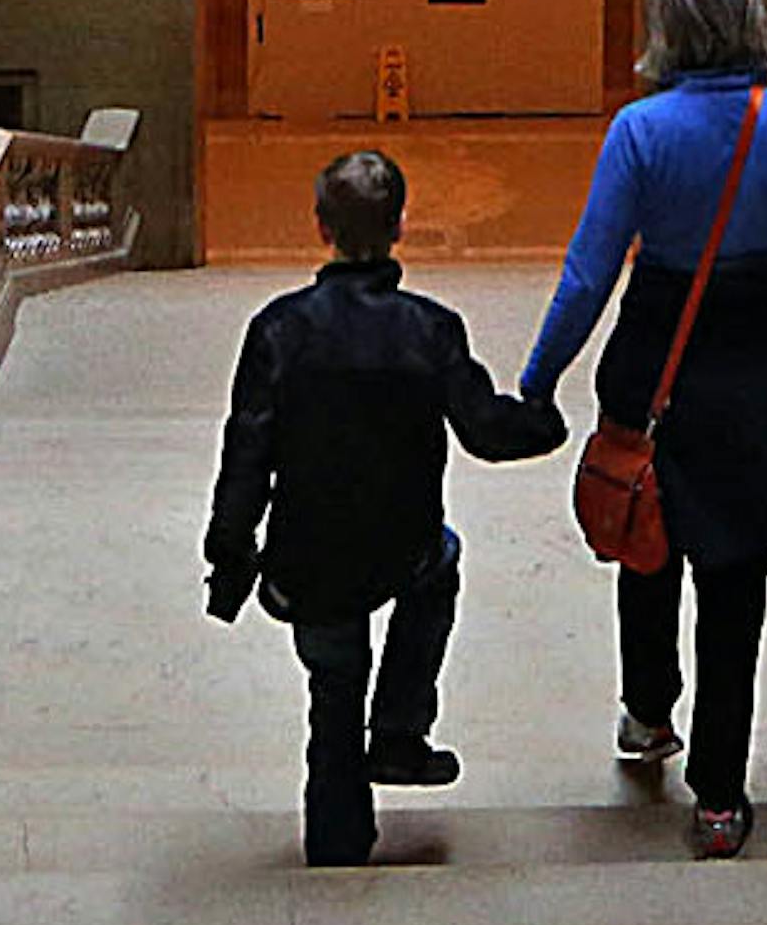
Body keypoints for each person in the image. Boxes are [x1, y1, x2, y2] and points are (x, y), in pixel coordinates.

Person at [520, 0, 767, 859]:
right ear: (753, 19)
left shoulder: (641, 131)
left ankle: (647, 712)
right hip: (760, 366)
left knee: (648, 537)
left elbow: (589, 275)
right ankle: (720, 796)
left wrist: (539, 378)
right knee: (736, 584)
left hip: (658, 362)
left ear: (666, 27)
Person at [204, 150, 566, 868]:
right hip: (402, 547)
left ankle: (337, 841)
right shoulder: (430, 328)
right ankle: (399, 728)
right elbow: (485, 432)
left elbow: (246, 455)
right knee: (442, 561)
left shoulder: (278, 330)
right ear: (401, 227)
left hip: (306, 561)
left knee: (331, 688)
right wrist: (545, 419)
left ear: (320, 228)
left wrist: (228, 549)